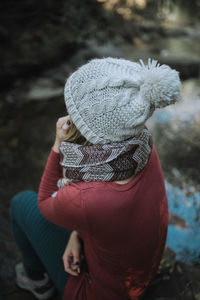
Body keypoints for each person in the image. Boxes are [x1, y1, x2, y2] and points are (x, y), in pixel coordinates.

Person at [10, 57, 181, 300]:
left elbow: (46, 202)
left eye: (74, 110)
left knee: (20, 203)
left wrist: (58, 146)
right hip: (136, 274)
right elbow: (105, 214)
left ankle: (37, 282)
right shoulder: (142, 145)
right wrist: (75, 233)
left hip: (96, 293)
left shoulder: (86, 197)